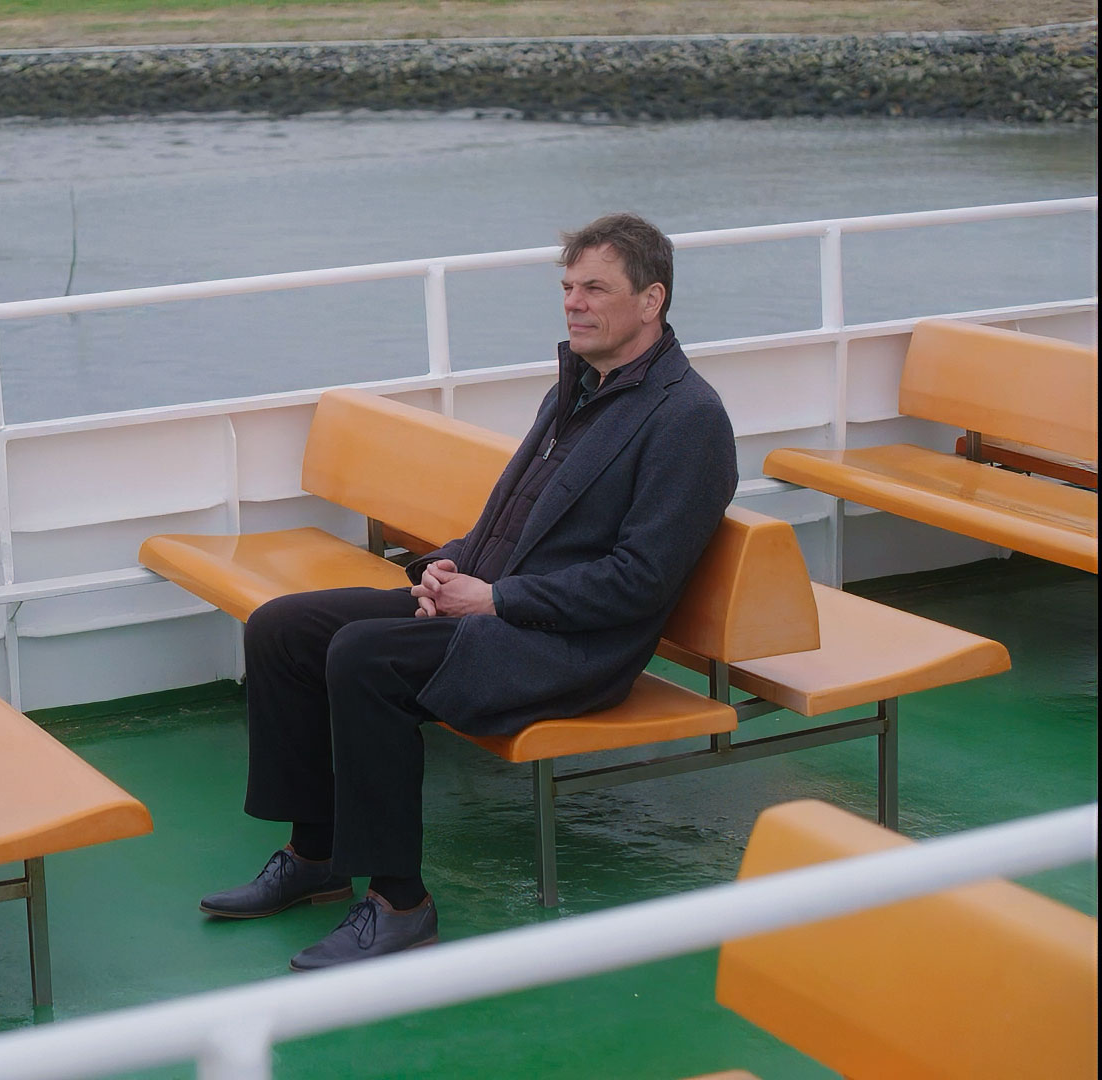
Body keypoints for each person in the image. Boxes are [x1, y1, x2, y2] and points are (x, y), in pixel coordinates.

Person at [198, 212, 738, 971]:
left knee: (365, 657)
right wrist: (445, 567)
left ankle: (400, 903)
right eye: (567, 287)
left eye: (594, 289)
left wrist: (494, 601)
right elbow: (509, 520)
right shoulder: (578, 389)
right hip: (497, 606)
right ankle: (317, 854)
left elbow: (640, 583)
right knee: (283, 628)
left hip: (570, 647)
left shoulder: (688, 419)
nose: (573, 303)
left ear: (652, 300)